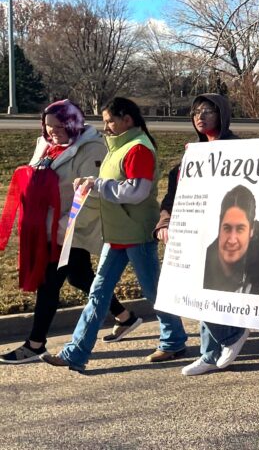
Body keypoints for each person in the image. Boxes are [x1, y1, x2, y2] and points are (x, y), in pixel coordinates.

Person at [42, 97, 188, 372]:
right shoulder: (119, 147)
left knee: (153, 291)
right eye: (105, 120)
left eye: (110, 120)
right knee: (98, 294)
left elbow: (136, 192)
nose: (106, 126)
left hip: (136, 232)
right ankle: (75, 353)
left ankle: (174, 340)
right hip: (117, 232)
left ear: (127, 120)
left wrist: (95, 185)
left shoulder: (139, 148)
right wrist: (92, 184)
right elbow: (115, 185)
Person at [0, 100, 139, 364]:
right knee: (81, 277)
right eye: (48, 126)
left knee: (48, 282)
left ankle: (35, 344)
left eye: (58, 126)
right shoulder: (47, 145)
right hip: (46, 228)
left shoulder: (91, 147)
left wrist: (65, 227)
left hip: (70, 228)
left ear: (73, 122)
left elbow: (91, 196)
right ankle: (126, 317)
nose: (52, 131)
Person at [158, 95, 256, 376]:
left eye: (208, 111)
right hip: (194, 232)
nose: (200, 116)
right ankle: (211, 353)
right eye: (196, 112)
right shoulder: (194, 152)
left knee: (206, 289)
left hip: (224, 233)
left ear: (222, 114)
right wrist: (165, 221)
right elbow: (174, 194)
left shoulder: (239, 148)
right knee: (194, 290)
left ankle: (229, 335)